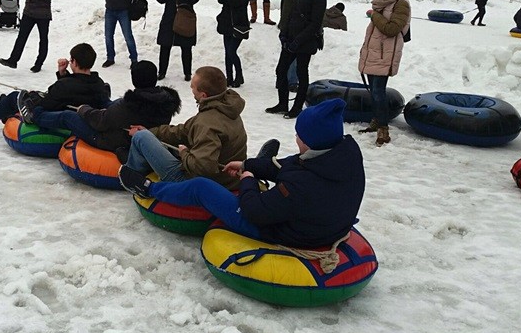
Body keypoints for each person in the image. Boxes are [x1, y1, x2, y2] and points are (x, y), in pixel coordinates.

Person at [119, 98, 366, 250]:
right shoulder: (342, 156)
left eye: (299, 135)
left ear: (312, 141)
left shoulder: (302, 183)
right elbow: (295, 166)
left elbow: (255, 211)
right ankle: (260, 160)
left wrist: (248, 180)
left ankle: (147, 188)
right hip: (315, 220)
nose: (296, 138)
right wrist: (250, 165)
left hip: (286, 234)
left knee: (202, 187)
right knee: (270, 167)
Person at [122, 66, 247, 190]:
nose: (191, 89)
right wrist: (150, 132)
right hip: (226, 179)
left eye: (193, 86)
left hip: (199, 183)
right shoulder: (225, 109)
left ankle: (130, 177)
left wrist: (184, 153)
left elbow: (203, 167)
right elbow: (183, 131)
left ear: (203, 95)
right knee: (149, 136)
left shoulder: (206, 123)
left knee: (140, 137)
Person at [31, 60, 182, 155]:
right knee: (112, 103)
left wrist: (84, 110)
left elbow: (101, 122)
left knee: (68, 116)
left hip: (111, 140)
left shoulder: (130, 105)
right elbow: (117, 113)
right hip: (132, 132)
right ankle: (103, 99)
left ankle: (35, 114)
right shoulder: (164, 100)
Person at [0, 43, 108, 127]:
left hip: (55, 117)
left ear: (74, 62)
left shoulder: (64, 85)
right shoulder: (98, 83)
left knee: (16, 96)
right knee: (19, 99)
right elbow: (77, 88)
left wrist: (32, 95)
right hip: (80, 115)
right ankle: (6, 112)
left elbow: (46, 103)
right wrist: (62, 74)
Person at [358, 0, 411, 146]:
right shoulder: (384, 0)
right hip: (376, 51)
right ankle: (376, 120)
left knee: (379, 92)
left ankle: (383, 130)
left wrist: (374, 16)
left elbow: (392, 29)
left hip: (384, 53)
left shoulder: (401, 3)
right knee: (374, 91)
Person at [266, 0, 326, 119]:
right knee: (281, 70)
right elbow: (290, 15)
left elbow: (315, 23)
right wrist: (284, 34)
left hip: (305, 42)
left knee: (301, 72)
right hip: (290, 39)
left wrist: (298, 41)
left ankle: (297, 106)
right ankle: (282, 103)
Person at [154, 0, 200, 82]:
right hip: (169, 22)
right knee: (165, 47)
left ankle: (187, 73)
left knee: (186, 48)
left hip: (184, 21)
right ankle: (162, 72)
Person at [216, 0, 252, 88]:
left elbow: (235, 3)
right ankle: (229, 77)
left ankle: (239, 75)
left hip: (239, 24)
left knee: (232, 51)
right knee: (227, 52)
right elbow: (220, 0)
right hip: (226, 23)